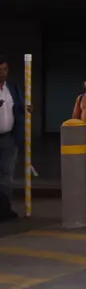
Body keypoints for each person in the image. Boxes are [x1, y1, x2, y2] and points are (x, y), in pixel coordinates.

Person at [0, 56, 26, 221]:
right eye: (0, 70)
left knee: (7, 175)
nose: (2, 73)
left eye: (5, 69)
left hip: (9, 137)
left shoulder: (11, 88)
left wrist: (26, 107)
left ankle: (4, 209)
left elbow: (18, 108)